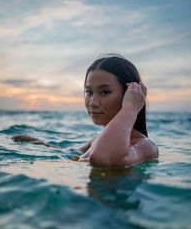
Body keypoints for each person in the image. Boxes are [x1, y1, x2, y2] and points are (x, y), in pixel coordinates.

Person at [12, 54, 159, 167]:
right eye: (89, 92)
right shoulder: (98, 140)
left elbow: (103, 159)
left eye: (104, 92)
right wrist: (39, 143)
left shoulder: (146, 146)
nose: (93, 102)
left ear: (129, 95)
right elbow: (70, 154)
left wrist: (130, 108)